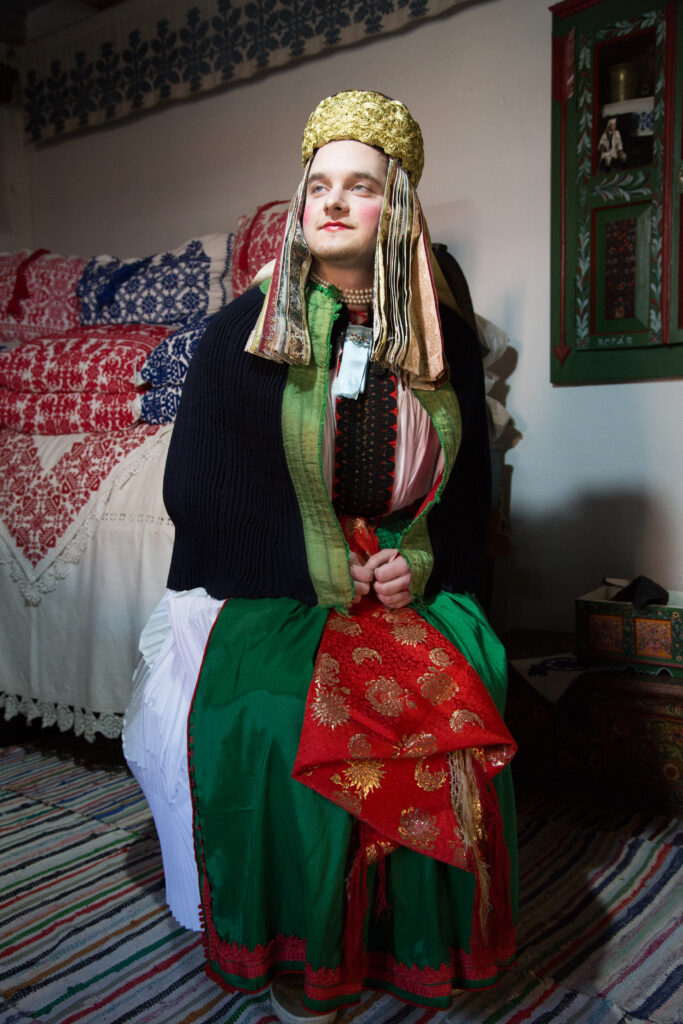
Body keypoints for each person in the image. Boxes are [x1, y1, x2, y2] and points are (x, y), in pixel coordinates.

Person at [123, 90, 517, 1024]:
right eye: (319, 185)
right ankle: (305, 946)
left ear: (400, 208)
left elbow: (467, 496)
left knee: (458, 699)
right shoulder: (236, 337)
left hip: (403, 574)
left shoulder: (447, 345)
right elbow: (202, 491)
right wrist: (323, 569)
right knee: (278, 713)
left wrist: (416, 561)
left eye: (362, 186)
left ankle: (411, 939)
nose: (334, 202)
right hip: (279, 580)